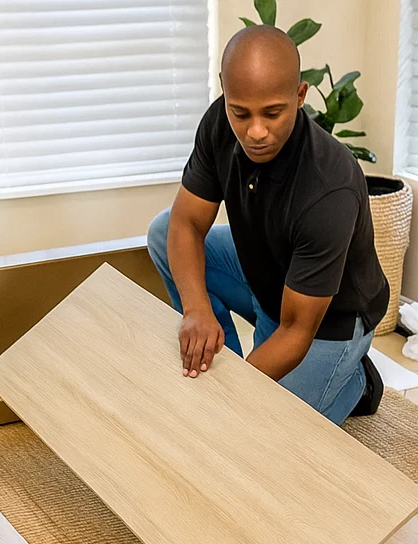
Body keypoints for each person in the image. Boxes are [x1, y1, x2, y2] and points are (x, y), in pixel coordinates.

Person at [147, 25, 389, 424]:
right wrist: (197, 311)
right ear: (225, 93)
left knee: (262, 431)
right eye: (240, 112)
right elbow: (186, 224)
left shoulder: (329, 186)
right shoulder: (219, 125)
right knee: (162, 230)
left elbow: (296, 329)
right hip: (267, 279)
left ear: (299, 95)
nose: (255, 132)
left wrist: (235, 397)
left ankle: (355, 379)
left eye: (272, 113)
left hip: (324, 321)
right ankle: (219, 359)